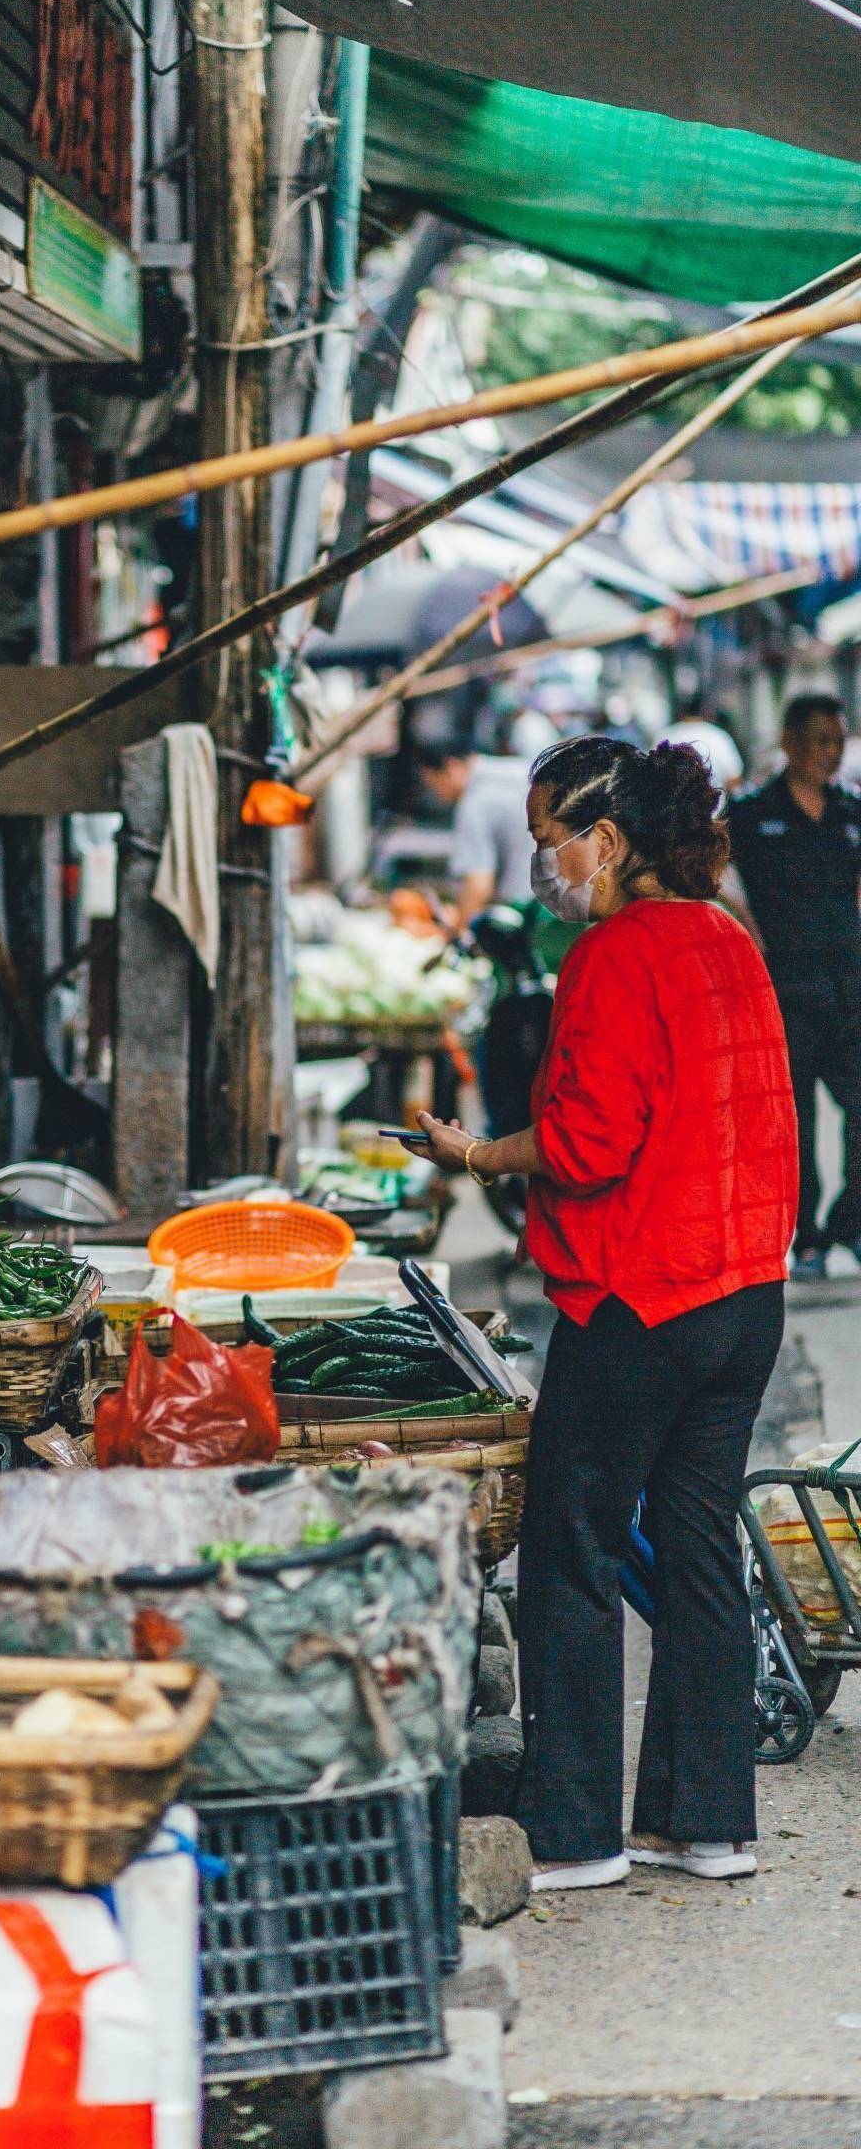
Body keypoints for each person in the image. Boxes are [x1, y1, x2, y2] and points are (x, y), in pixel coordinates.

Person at [411, 738, 797, 1893]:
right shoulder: (728, 936)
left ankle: (575, 1833)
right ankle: (704, 1822)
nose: (543, 863)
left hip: (641, 1298)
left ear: (610, 840)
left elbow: (587, 1144)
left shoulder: (613, 953)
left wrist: (476, 1153)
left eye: (550, 841)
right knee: (696, 1547)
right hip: (744, 1298)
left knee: (569, 1548)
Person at [726, 694, 861, 1279]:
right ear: (788, 742)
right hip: (783, 995)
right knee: (794, 1124)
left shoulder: (851, 811)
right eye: (819, 740)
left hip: (850, 989)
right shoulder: (752, 813)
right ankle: (806, 1239)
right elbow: (705, 870)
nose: (830, 753)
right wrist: (744, 925)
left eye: (837, 741)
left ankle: (850, 1225)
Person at [416, 742, 535, 926]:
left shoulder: (474, 803)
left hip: (527, 914)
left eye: (434, 784)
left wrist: (458, 933)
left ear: (451, 768)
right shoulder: (525, 770)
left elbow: (478, 885)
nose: (437, 795)